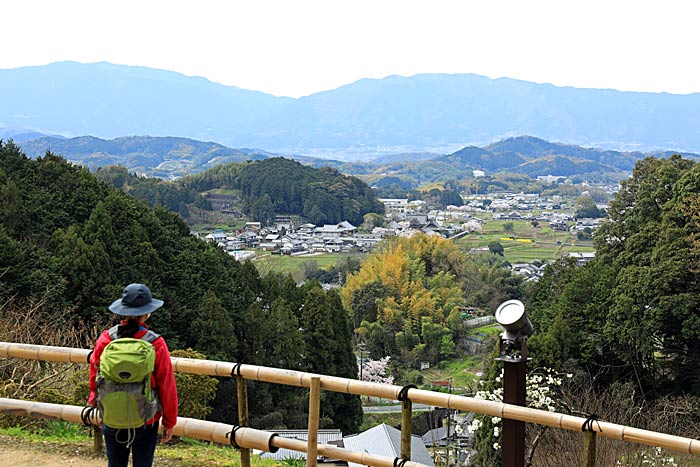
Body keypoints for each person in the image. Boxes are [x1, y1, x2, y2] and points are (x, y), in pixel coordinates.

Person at [89, 283, 178, 467]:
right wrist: (169, 421)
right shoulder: (155, 343)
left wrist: (96, 405)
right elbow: (166, 384)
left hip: (112, 414)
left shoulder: (106, 339)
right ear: (147, 313)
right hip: (146, 418)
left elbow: (95, 375)